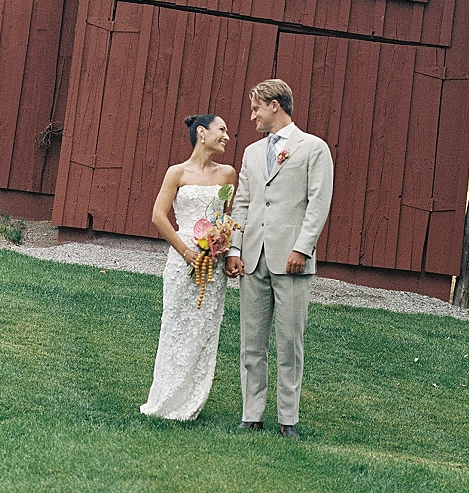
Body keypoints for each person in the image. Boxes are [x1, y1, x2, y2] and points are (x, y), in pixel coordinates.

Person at [226, 79, 333, 439]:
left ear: (275, 105)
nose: (252, 115)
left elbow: (318, 204)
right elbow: (242, 203)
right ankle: (251, 414)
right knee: (251, 343)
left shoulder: (314, 149)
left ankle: (288, 419)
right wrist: (235, 249)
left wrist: (302, 248)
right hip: (253, 259)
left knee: (289, 343)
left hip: (292, 260)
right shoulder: (252, 154)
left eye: (256, 107)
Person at [140, 114, 237, 421]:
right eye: (221, 130)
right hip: (182, 258)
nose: (226, 137)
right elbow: (158, 215)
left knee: (203, 329)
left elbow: (229, 219)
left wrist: (222, 246)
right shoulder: (177, 172)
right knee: (175, 325)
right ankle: (163, 398)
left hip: (213, 261)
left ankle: (191, 401)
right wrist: (184, 251)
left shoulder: (227, 174)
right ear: (201, 133)